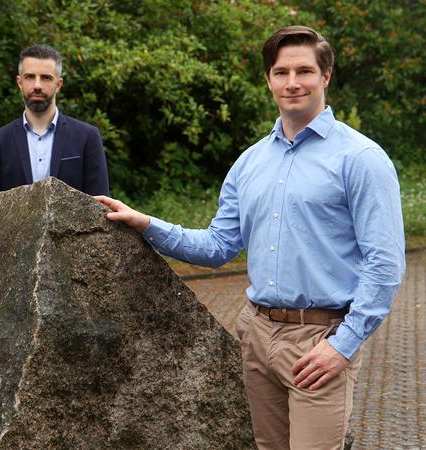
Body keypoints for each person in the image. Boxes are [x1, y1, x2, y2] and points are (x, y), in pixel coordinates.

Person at [96, 26, 405, 450]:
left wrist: (343, 345)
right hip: (256, 335)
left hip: (320, 341)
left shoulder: (361, 159)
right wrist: (146, 223)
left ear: (326, 75)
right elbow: (217, 247)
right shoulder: (250, 163)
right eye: (281, 72)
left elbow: (385, 264)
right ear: (268, 79)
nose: (292, 82)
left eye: (304, 71)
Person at [0, 44, 109, 196]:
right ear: (19, 82)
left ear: (59, 84)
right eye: (30, 77)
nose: (37, 85)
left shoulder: (87, 137)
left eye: (46, 78)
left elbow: (101, 203)